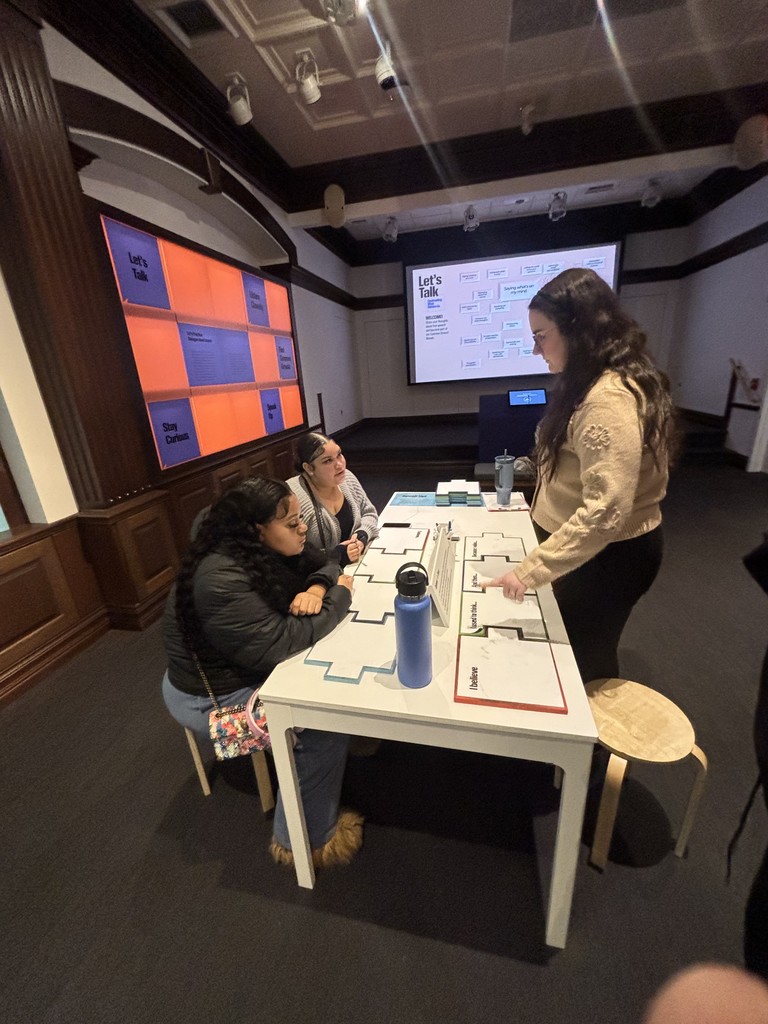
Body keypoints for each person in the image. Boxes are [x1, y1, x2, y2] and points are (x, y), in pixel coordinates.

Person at [482, 267, 675, 684]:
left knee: (583, 658)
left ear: (578, 330)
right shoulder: (589, 379)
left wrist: (530, 570)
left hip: (609, 556)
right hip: (593, 549)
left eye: (540, 336)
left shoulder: (608, 398)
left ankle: (592, 748)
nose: (536, 350)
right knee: (574, 645)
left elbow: (606, 511)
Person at [162, 476, 363, 868]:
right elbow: (283, 641)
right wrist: (340, 593)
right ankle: (304, 840)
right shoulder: (219, 578)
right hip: (209, 698)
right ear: (258, 530)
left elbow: (323, 558)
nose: (303, 526)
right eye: (292, 523)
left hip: (240, 668)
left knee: (332, 676)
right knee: (322, 722)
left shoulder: (250, 542)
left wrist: (319, 590)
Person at [286, 432, 379, 567]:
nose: (340, 465)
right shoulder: (292, 496)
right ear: (309, 468)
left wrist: (362, 535)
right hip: (318, 576)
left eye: (339, 454)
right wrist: (335, 555)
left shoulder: (347, 477)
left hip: (355, 565)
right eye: (328, 461)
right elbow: (291, 553)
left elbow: (369, 512)